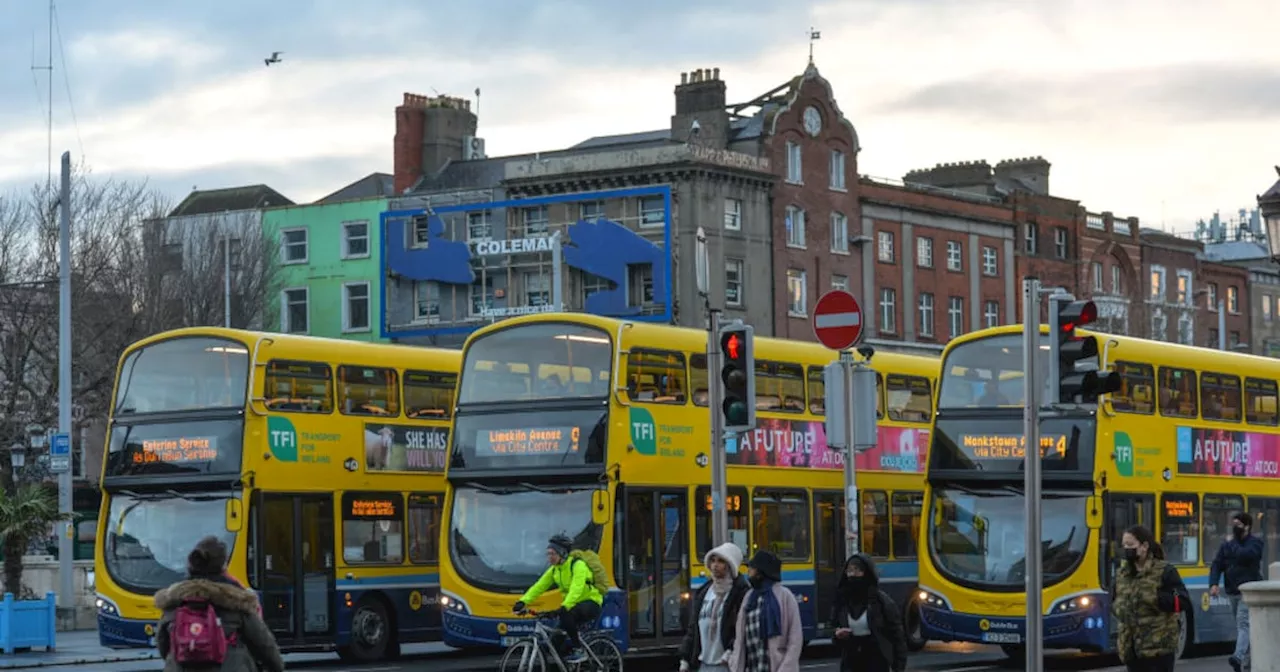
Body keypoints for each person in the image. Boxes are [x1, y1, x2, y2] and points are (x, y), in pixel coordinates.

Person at [155, 536, 284, 672]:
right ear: (223, 566)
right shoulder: (236, 602)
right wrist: (276, 667)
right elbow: (263, 644)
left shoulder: (175, 602)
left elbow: (163, 642)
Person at [513, 534, 603, 664]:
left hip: (590, 603)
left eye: (552, 554)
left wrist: (564, 606)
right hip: (571, 605)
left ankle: (579, 650)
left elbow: (576, 589)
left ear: (562, 553)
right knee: (554, 642)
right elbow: (539, 586)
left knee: (567, 614)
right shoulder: (555, 570)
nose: (549, 557)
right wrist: (523, 601)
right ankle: (570, 665)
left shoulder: (578, 565)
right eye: (548, 554)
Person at [1111, 525, 1190, 672]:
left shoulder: (1165, 571)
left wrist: (1155, 598)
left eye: (1131, 545)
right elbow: (1114, 600)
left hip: (1158, 649)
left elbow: (1182, 601)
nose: (1127, 549)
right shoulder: (1122, 574)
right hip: (1131, 649)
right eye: (1124, 546)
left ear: (1144, 546)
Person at [679, 543, 750, 672]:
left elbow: (741, 629)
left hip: (727, 665)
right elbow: (693, 628)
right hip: (703, 664)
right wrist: (685, 657)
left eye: (721, 561)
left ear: (730, 566)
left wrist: (730, 652)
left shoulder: (740, 593)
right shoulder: (703, 592)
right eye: (712, 560)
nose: (715, 565)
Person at [727, 550, 803, 672]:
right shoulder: (749, 596)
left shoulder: (785, 596)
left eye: (752, 568)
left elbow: (795, 639)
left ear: (761, 572)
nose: (748, 572)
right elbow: (740, 636)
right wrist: (735, 662)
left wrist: (786, 668)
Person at [831, 554, 907, 672]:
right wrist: (838, 635)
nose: (852, 575)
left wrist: (899, 666)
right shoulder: (842, 601)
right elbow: (834, 629)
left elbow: (897, 635)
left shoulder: (881, 601)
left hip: (877, 661)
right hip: (851, 663)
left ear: (867, 573)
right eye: (849, 571)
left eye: (857, 571)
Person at [1209, 512, 1265, 672]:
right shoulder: (1227, 544)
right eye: (1233, 525)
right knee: (1244, 627)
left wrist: (1230, 544)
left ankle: (1238, 657)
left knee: (1243, 624)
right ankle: (1248, 662)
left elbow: (1246, 555)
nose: (1235, 529)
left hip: (1248, 592)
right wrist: (1213, 583)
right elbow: (1217, 564)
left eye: (1238, 525)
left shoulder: (1255, 543)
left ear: (1247, 526)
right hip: (1232, 591)